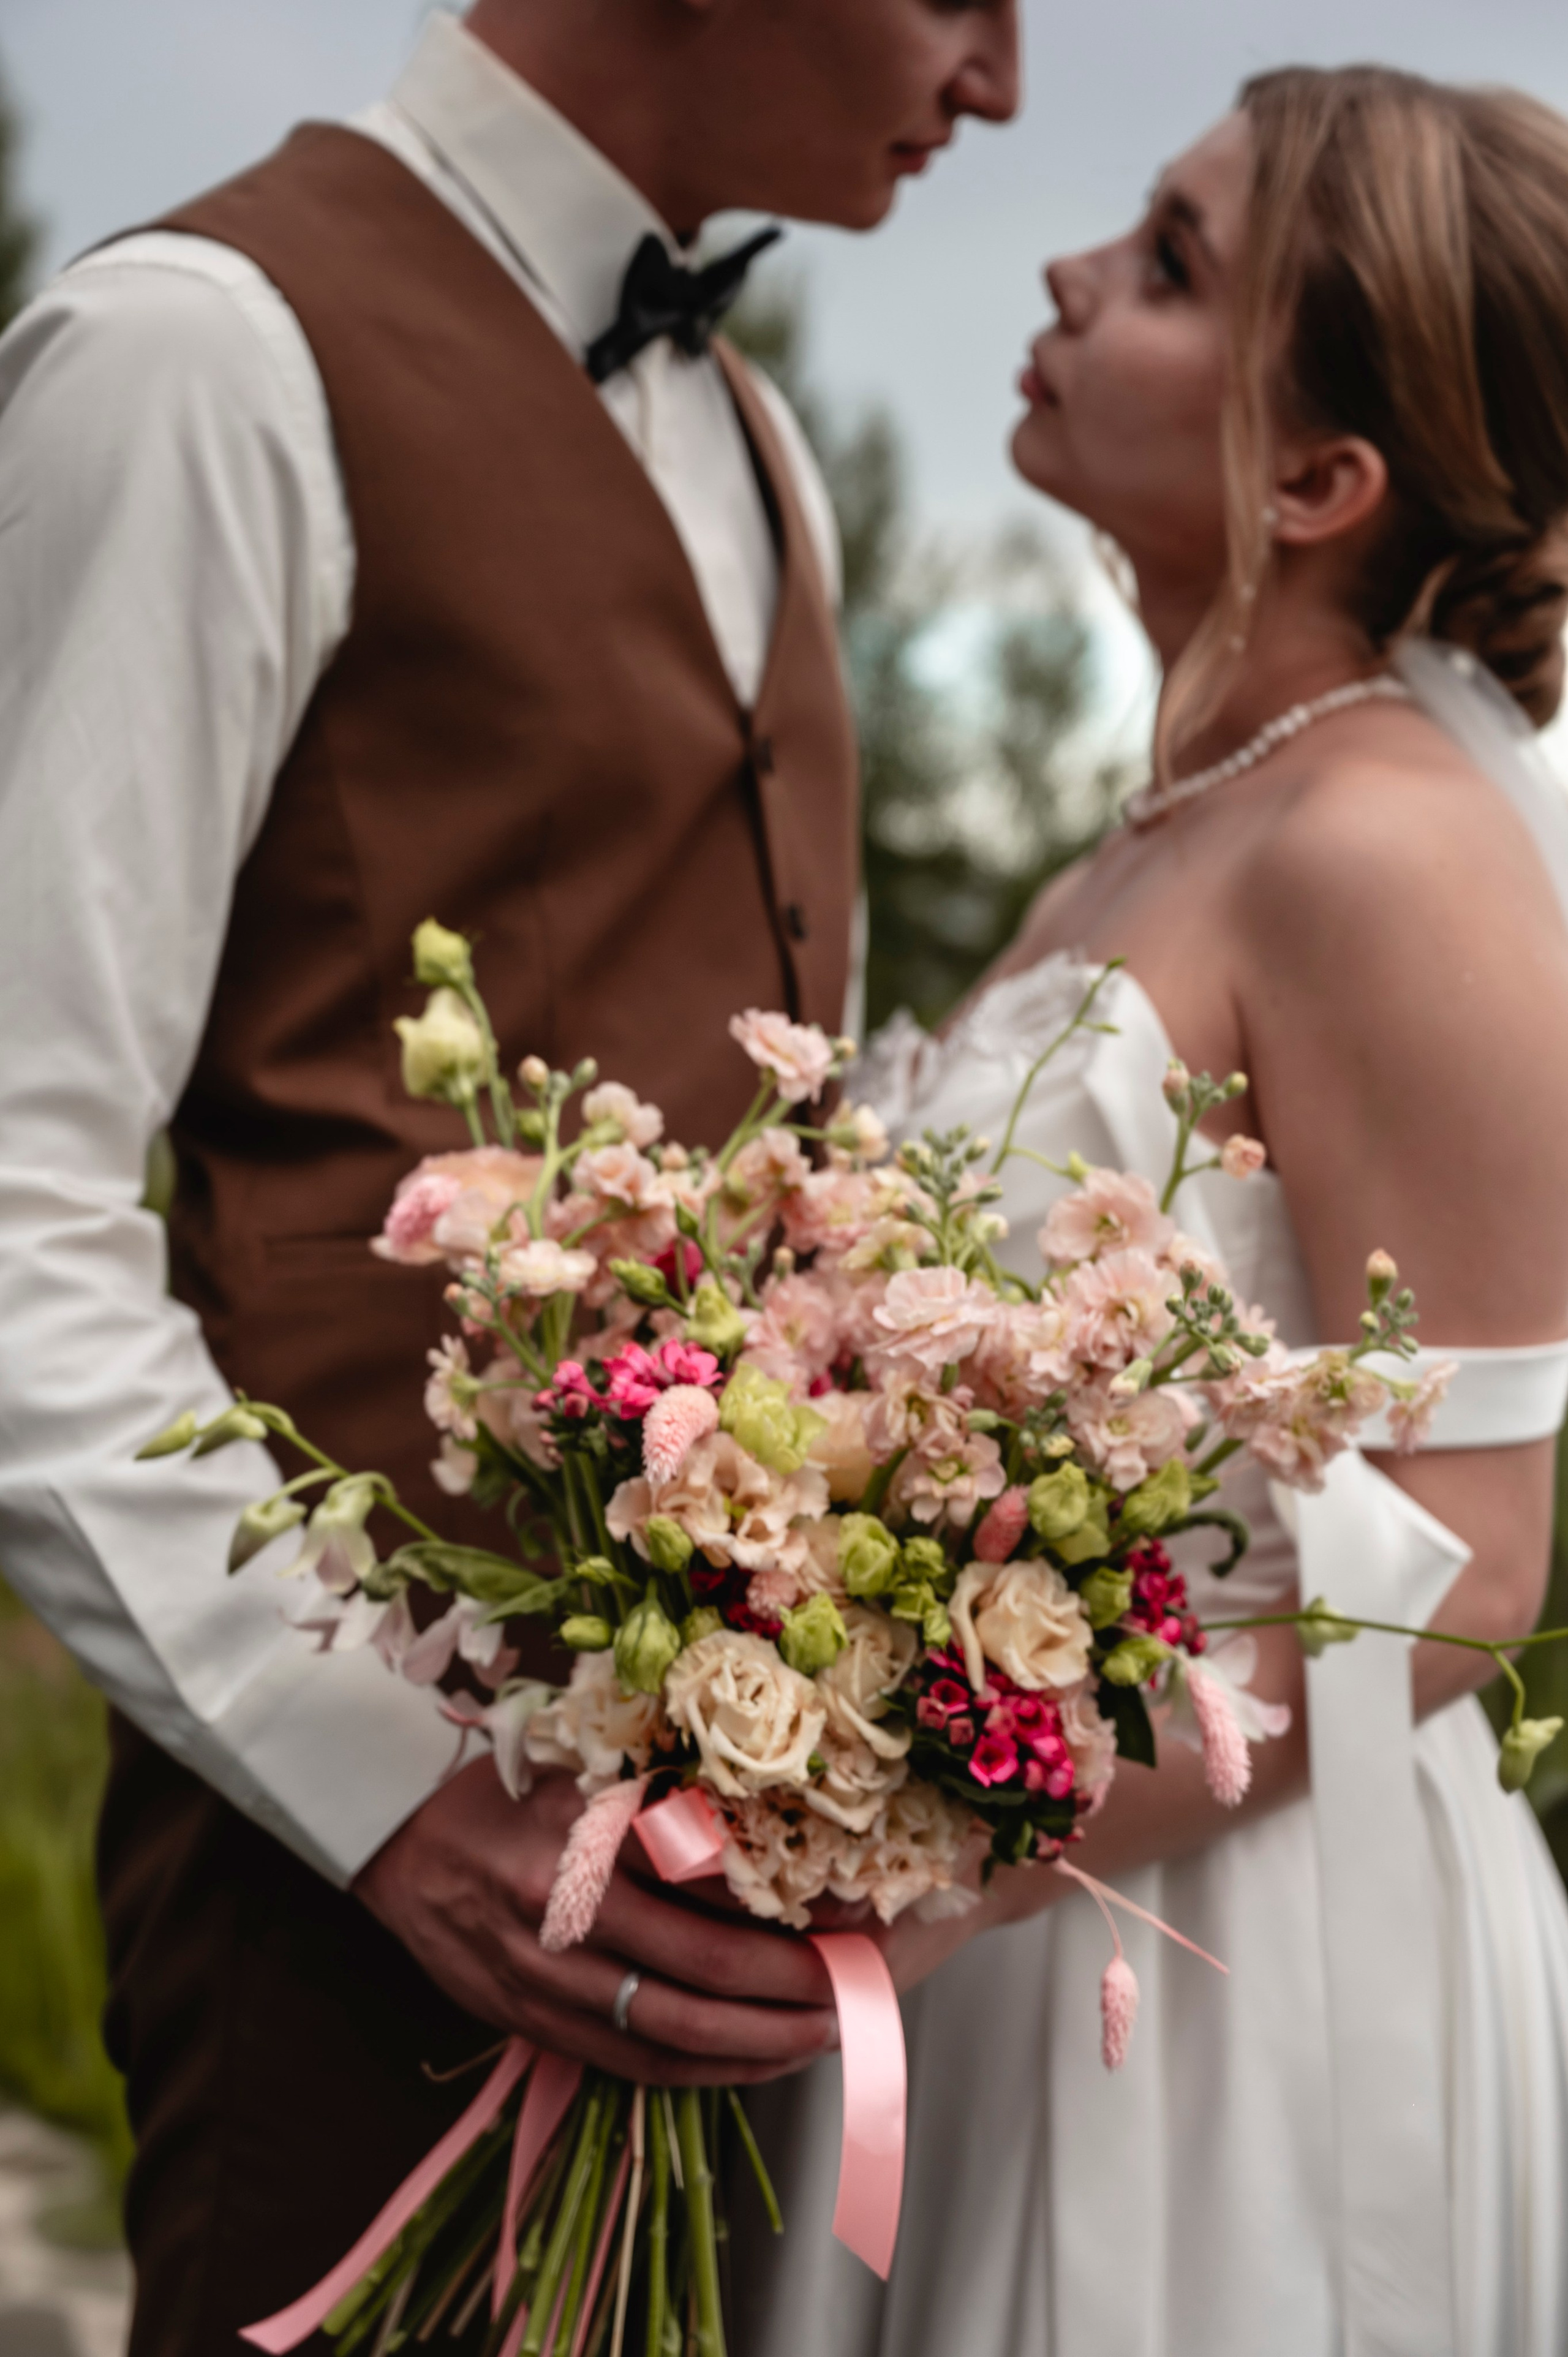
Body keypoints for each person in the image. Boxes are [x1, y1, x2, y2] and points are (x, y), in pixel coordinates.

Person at [0, 2, 1019, 2349]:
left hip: (732, 1898)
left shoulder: (761, 437)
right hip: (344, 1896)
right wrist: (384, 1799)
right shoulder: (196, 359)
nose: (1002, 81)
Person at [733, 64, 1568, 2357]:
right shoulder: (1155, 835)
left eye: (1174, 264)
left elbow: (1473, 1558)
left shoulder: (1388, 850)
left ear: (1318, 479)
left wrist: (948, 1867)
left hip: (1221, 1975)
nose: (1066, 272)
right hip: (1015, 1918)